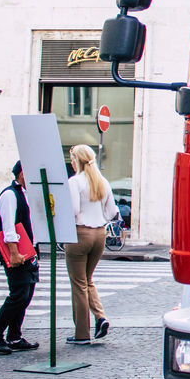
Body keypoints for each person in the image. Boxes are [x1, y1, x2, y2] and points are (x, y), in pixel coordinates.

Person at [64, 145, 119, 345]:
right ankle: (100, 317)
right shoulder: (102, 181)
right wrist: (99, 218)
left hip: (80, 233)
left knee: (78, 283)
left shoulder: (75, 181)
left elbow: (74, 209)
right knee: (87, 280)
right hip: (99, 234)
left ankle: (81, 334)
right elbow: (112, 211)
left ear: (76, 161)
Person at [0, 161, 40, 355]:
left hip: (28, 251)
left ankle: (14, 335)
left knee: (27, 294)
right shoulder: (10, 195)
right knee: (18, 294)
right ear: (22, 174)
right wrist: (14, 252)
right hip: (15, 251)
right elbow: (8, 226)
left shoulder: (25, 195)